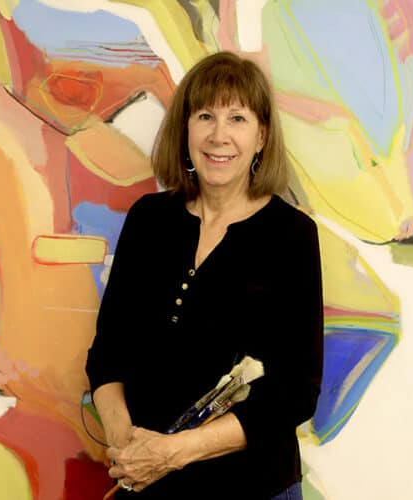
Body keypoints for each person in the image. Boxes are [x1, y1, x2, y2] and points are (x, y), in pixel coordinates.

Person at [85, 50, 324, 500]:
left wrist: (172, 453)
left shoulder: (291, 236)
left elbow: (294, 393)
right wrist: (129, 447)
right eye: (205, 116)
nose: (219, 136)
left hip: (253, 489)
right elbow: (107, 355)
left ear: (261, 137)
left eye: (237, 119)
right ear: (186, 129)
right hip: (146, 483)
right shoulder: (148, 220)